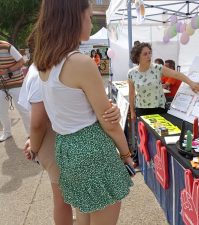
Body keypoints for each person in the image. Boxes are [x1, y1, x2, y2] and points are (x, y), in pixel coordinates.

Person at [32, 1, 133, 225]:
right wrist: (127, 155)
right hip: (92, 150)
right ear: (75, 18)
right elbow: (108, 122)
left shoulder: (45, 62)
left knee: (85, 217)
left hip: (67, 149)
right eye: (88, 17)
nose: (90, 22)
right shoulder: (80, 62)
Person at [19, 32, 122, 225]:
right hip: (64, 142)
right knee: (66, 201)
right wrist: (125, 154)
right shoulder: (60, 66)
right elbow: (38, 121)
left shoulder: (44, 68)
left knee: (79, 203)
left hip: (63, 142)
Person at [128, 42, 199, 119]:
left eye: (150, 53)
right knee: (143, 130)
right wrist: (132, 111)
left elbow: (176, 74)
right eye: (145, 54)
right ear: (137, 57)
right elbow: (131, 93)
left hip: (159, 108)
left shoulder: (158, 68)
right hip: (141, 109)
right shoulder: (131, 73)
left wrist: (191, 83)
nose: (149, 56)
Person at [0, 40, 30, 142]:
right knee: (1, 111)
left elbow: (22, 61)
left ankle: (31, 135)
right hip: (1, 85)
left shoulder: (7, 46)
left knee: (23, 109)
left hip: (16, 82)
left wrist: (7, 71)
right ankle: (7, 132)